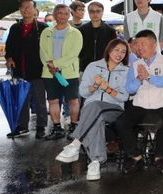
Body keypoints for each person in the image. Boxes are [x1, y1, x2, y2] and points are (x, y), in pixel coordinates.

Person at [55, 38, 130, 181]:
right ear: (109, 50)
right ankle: (95, 163)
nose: (119, 54)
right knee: (96, 117)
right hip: (92, 109)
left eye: (123, 51)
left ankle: (75, 144)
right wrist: (95, 86)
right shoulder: (93, 66)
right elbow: (83, 92)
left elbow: (124, 97)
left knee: (95, 109)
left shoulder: (126, 71)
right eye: (116, 50)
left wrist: (107, 89)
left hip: (114, 109)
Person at [114, 29, 163, 174]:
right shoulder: (135, 64)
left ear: (154, 44)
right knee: (121, 123)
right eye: (137, 44)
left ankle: (159, 158)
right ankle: (136, 156)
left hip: (162, 103)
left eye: (143, 43)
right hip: (141, 104)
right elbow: (129, 89)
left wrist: (149, 77)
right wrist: (139, 79)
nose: (139, 47)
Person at [4, 0, 49, 139]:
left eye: (29, 7)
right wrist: (9, 58)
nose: (26, 10)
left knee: (39, 100)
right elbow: (9, 46)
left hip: (37, 70)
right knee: (21, 99)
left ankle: (41, 126)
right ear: (20, 9)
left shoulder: (42, 28)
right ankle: (22, 126)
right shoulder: (15, 28)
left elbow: (48, 48)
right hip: (18, 69)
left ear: (35, 10)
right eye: (23, 7)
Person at [40, 4, 83, 140]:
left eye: (65, 13)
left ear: (69, 15)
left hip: (70, 72)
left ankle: (74, 127)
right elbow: (42, 51)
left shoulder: (75, 33)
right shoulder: (46, 32)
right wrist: (50, 65)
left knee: (73, 100)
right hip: (49, 72)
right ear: (54, 14)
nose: (62, 16)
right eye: (59, 13)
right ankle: (57, 128)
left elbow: (74, 53)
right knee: (53, 100)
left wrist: (56, 64)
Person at [78, 1, 118, 72]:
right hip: (85, 67)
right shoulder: (81, 30)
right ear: (88, 13)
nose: (95, 14)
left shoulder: (110, 30)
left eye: (98, 11)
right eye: (92, 11)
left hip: (104, 67)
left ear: (102, 12)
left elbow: (113, 49)